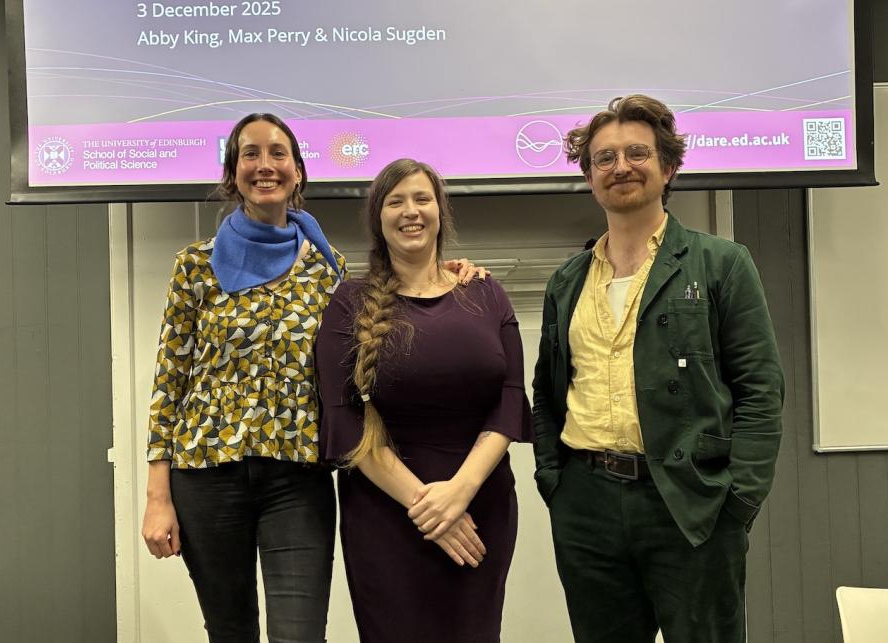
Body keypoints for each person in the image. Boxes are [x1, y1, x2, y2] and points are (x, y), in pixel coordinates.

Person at [140, 114, 483, 643]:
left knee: (299, 636)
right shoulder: (194, 265)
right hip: (205, 476)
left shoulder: (328, 269)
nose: (264, 166)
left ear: (298, 171)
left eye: (277, 153)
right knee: (230, 632)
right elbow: (170, 382)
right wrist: (157, 496)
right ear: (233, 174)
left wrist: (452, 273)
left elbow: (396, 298)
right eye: (249, 155)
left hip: (297, 479)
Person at [531, 95, 784, 643]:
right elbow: (547, 391)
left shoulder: (721, 262)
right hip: (587, 504)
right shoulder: (567, 281)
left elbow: (761, 391)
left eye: (637, 152)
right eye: (604, 158)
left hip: (690, 503)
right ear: (590, 177)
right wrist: (556, 483)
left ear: (668, 167)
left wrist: (737, 503)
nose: (621, 166)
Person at [316, 159, 533, 643]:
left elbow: (511, 397)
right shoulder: (348, 302)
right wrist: (426, 506)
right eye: (395, 201)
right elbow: (342, 419)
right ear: (378, 218)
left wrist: (459, 492)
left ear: (441, 211)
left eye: (422, 199)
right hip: (386, 514)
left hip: (481, 507)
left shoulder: (486, 291)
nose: (410, 212)